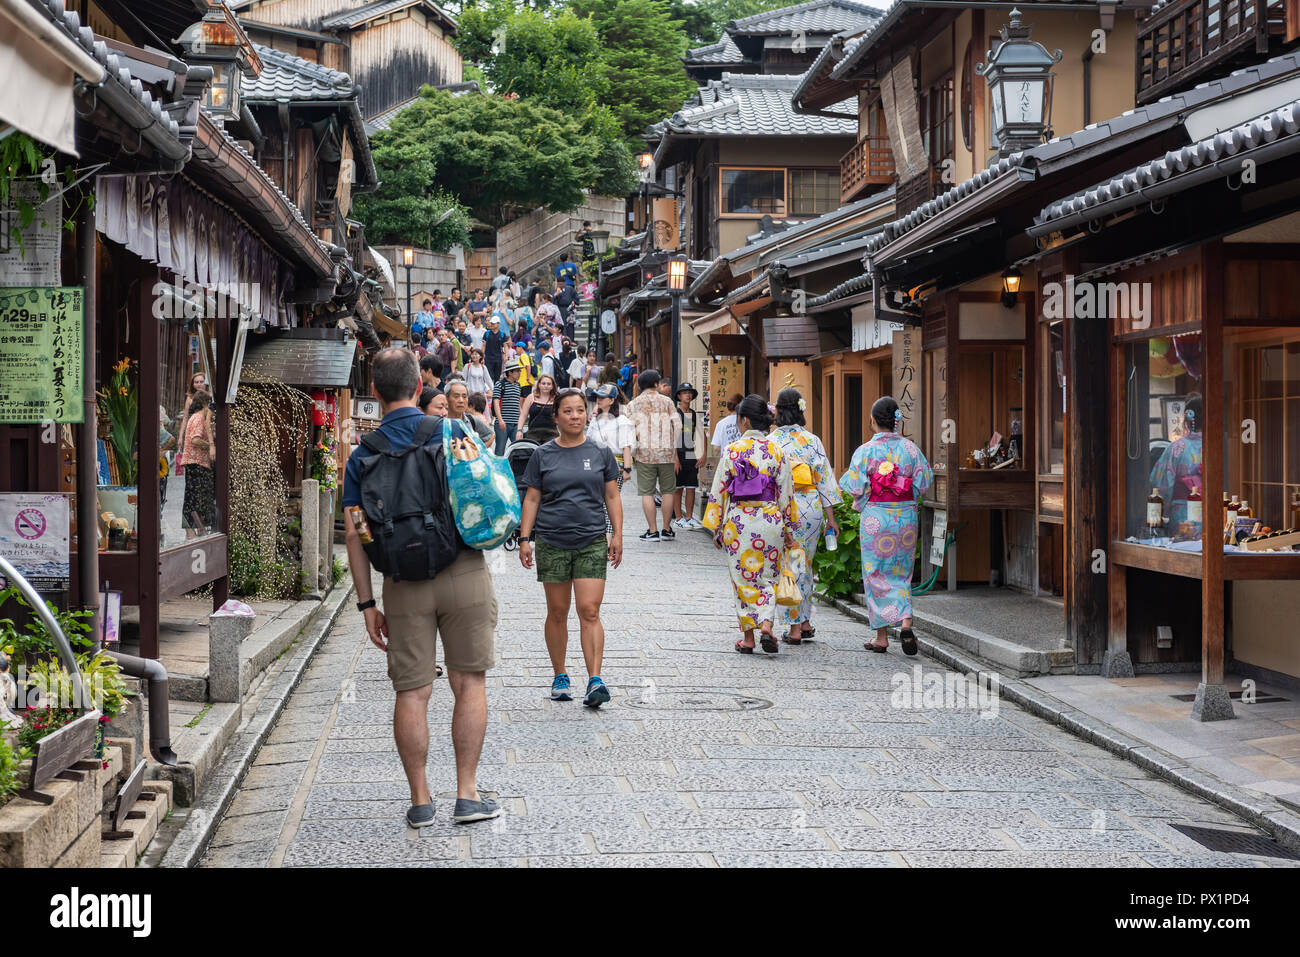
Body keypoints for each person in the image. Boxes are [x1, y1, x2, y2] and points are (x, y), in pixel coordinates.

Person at [341, 348, 501, 827]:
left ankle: (420, 801)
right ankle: (468, 795)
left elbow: (356, 531)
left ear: (375, 393)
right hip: (463, 570)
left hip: (402, 584)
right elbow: (483, 493)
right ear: (418, 387)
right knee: (468, 682)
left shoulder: (361, 455)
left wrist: (367, 602)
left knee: (411, 692)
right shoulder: (453, 430)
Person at [519, 388, 622, 707]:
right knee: (558, 611)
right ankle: (560, 674)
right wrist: (525, 538)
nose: (574, 416)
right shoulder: (543, 454)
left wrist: (617, 534)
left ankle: (595, 679)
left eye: (579, 410)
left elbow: (612, 495)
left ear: (587, 414)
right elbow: (532, 497)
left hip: (591, 539)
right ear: (556, 417)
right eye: (568, 411)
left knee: (589, 610)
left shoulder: (601, 452)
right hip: (552, 539)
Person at [703, 394, 798, 655]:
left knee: (743, 578)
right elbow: (785, 492)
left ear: (744, 420)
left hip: (740, 520)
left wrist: (717, 525)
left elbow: (720, 489)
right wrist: (788, 528)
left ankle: (748, 638)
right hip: (770, 519)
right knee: (768, 575)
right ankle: (767, 624)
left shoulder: (733, 450)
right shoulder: (776, 450)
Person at [839, 396, 934, 655]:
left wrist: (871, 492)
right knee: (902, 572)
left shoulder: (865, 451)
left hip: (876, 518)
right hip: (904, 516)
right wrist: (905, 493)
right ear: (896, 422)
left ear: (872, 421)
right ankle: (905, 623)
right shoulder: (911, 449)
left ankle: (881, 637)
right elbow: (924, 481)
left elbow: (854, 485)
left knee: (876, 573)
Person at [770, 388, 840, 645]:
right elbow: (825, 481)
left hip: (782, 506)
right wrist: (830, 518)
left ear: (777, 410)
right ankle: (806, 622)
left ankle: (795, 627)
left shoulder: (772, 440)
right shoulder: (813, 440)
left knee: (787, 566)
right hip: (810, 507)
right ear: (801, 409)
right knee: (804, 565)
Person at [627, 368, 681, 542]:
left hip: (644, 454)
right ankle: (666, 529)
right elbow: (678, 426)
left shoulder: (633, 404)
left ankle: (652, 531)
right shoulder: (667, 402)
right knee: (668, 491)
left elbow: (627, 429)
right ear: (656, 384)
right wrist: (673, 445)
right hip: (666, 453)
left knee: (647, 492)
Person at [1149, 393, 1204, 534]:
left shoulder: (1176, 448)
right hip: (1211, 513)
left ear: (1186, 419)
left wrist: (1163, 512)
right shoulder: (1217, 447)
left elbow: (1159, 485)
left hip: (1182, 515)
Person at [587, 383, 634, 533]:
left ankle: (608, 537)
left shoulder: (622, 421)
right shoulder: (595, 420)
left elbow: (626, 445)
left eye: (603, 397)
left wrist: (627, 469)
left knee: (609, 501)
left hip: (615, 466)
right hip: (594, 465)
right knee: (595, 500)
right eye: (598, 397)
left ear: (612, 400)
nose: (599, 400)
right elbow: (587, 442)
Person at [670, 382, 707, 530]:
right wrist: (675, 459)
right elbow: (671, 437)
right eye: (684, 392)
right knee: (678, 488)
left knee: (691, 487)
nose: (688, 395)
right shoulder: (675, 414)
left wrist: (704, 454)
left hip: (692, 453)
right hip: (678, 453)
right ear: (679, 396)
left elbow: (702, 434)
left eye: (689, 392)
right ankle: (678, 517)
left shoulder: (694, 414)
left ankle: (689, 517)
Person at [181, 391, 217, 537]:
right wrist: (209, 445)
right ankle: (190, 531)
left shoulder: (197, 418)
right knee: (192, 498)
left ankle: (195, 529)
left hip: (198, 462)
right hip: (195, 462)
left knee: (196, 497)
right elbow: (195, 440)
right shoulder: (197, 418)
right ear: (204, 404)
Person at [446, 380, 496, 445]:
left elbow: (490, 435)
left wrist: (480, 450)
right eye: (456, 396)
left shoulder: (471, 420)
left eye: (464, 397)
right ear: (446, 398)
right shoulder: (439, 421)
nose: (461, 400)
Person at [492, 359, 523, 455]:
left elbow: (517, 403)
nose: (519, 373)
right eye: (517, 371)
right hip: (503, 423)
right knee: (500, 450)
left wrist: (521, 418)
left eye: (519, 371)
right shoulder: (500, 384)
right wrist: (500, 420)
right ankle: (498, 469)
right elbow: (495, 402)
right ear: (510, 372)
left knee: (517, 448)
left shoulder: (518, 385)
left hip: (515, 423)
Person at [518, 372, 558, 443]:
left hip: (551, 434)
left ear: (552, 386)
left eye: (549, 384)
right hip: (533, 433)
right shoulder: (531, 397)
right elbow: (523, 416)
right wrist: (519, 430)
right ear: (539, 385)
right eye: (543, 383)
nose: (546, 386)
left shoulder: (556, 399)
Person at [711, 394, 745, 458]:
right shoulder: (746, 421)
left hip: (726, 460)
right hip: (743, 460)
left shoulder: (721, 423)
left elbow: (716, 448)